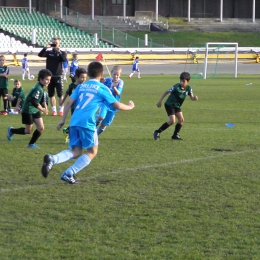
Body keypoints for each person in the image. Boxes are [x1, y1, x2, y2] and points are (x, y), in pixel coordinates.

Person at [41, 61, 135, 184]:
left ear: (88, 73)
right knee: (92, 151)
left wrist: (63, 120)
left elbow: (68, 102)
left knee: (76, 151)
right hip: (87, 123)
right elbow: (116, 105)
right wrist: (130, 106)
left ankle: (53, 159)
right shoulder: (102, 88)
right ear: (102, 74)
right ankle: (69, 173)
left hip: (75, 121)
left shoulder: (81, 86)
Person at [7, 69, 51, 148]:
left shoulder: (40, 86)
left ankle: (31, 144)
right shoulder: (38, 89)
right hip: (27, 110)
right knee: (28, 131)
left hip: (34, 109)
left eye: (49, 79)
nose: (48, 81)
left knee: (41, 127)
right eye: (47, 79)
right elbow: (34, 101)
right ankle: (11, 130)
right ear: (41, 79)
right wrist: (43, 109)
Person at [153, 72, 198, 141]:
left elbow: (191, 97)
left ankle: (175, 135)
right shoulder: (176, 87)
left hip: (177, 105)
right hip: (169, 104)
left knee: (181, 120)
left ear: (188, 81)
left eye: (184, 81)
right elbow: (166, 92)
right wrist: (160, 101)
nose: (182, 83)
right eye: (181, 81)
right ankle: (157, 132)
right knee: (172, 121)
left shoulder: (188, 88)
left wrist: (194, 98)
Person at [38, 37, 67, 116]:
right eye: (53, 42)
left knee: (60, 94)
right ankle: (54, 110)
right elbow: (40, 55)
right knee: (51, 94)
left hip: (58, 75)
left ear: (59, 43)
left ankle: (61, 110)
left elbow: (64, 60)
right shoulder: (49, 52)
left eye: (56, 42)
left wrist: (59, 52)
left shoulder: (62, 52)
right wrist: (45, 48)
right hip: (49, 76)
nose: (55, 44)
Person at [60, 68, 87, 143]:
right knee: (77, 122)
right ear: (77, 77)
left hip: (82, 107)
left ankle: (69, 132)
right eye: (82, 77)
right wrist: (62, 101)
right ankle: (69, 132)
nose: (84, 79)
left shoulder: (85, 86)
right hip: (74, 107)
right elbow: (67, 93)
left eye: (85, 77)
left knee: (79, 121)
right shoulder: (72, 86)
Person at [96, 65, 124, 135]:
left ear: (120, 75)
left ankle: (95, 136)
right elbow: (99, 83)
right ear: (111, 73)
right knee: (100, 117)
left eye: (117, 75)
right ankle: (91, 130)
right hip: (106, 103)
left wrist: (114, 87)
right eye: (114, 74)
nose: (116, 76)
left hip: (114, 106)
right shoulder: (107, 80)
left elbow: (118, 93)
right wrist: (100, 80)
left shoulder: (120, 82)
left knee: (104, 124)